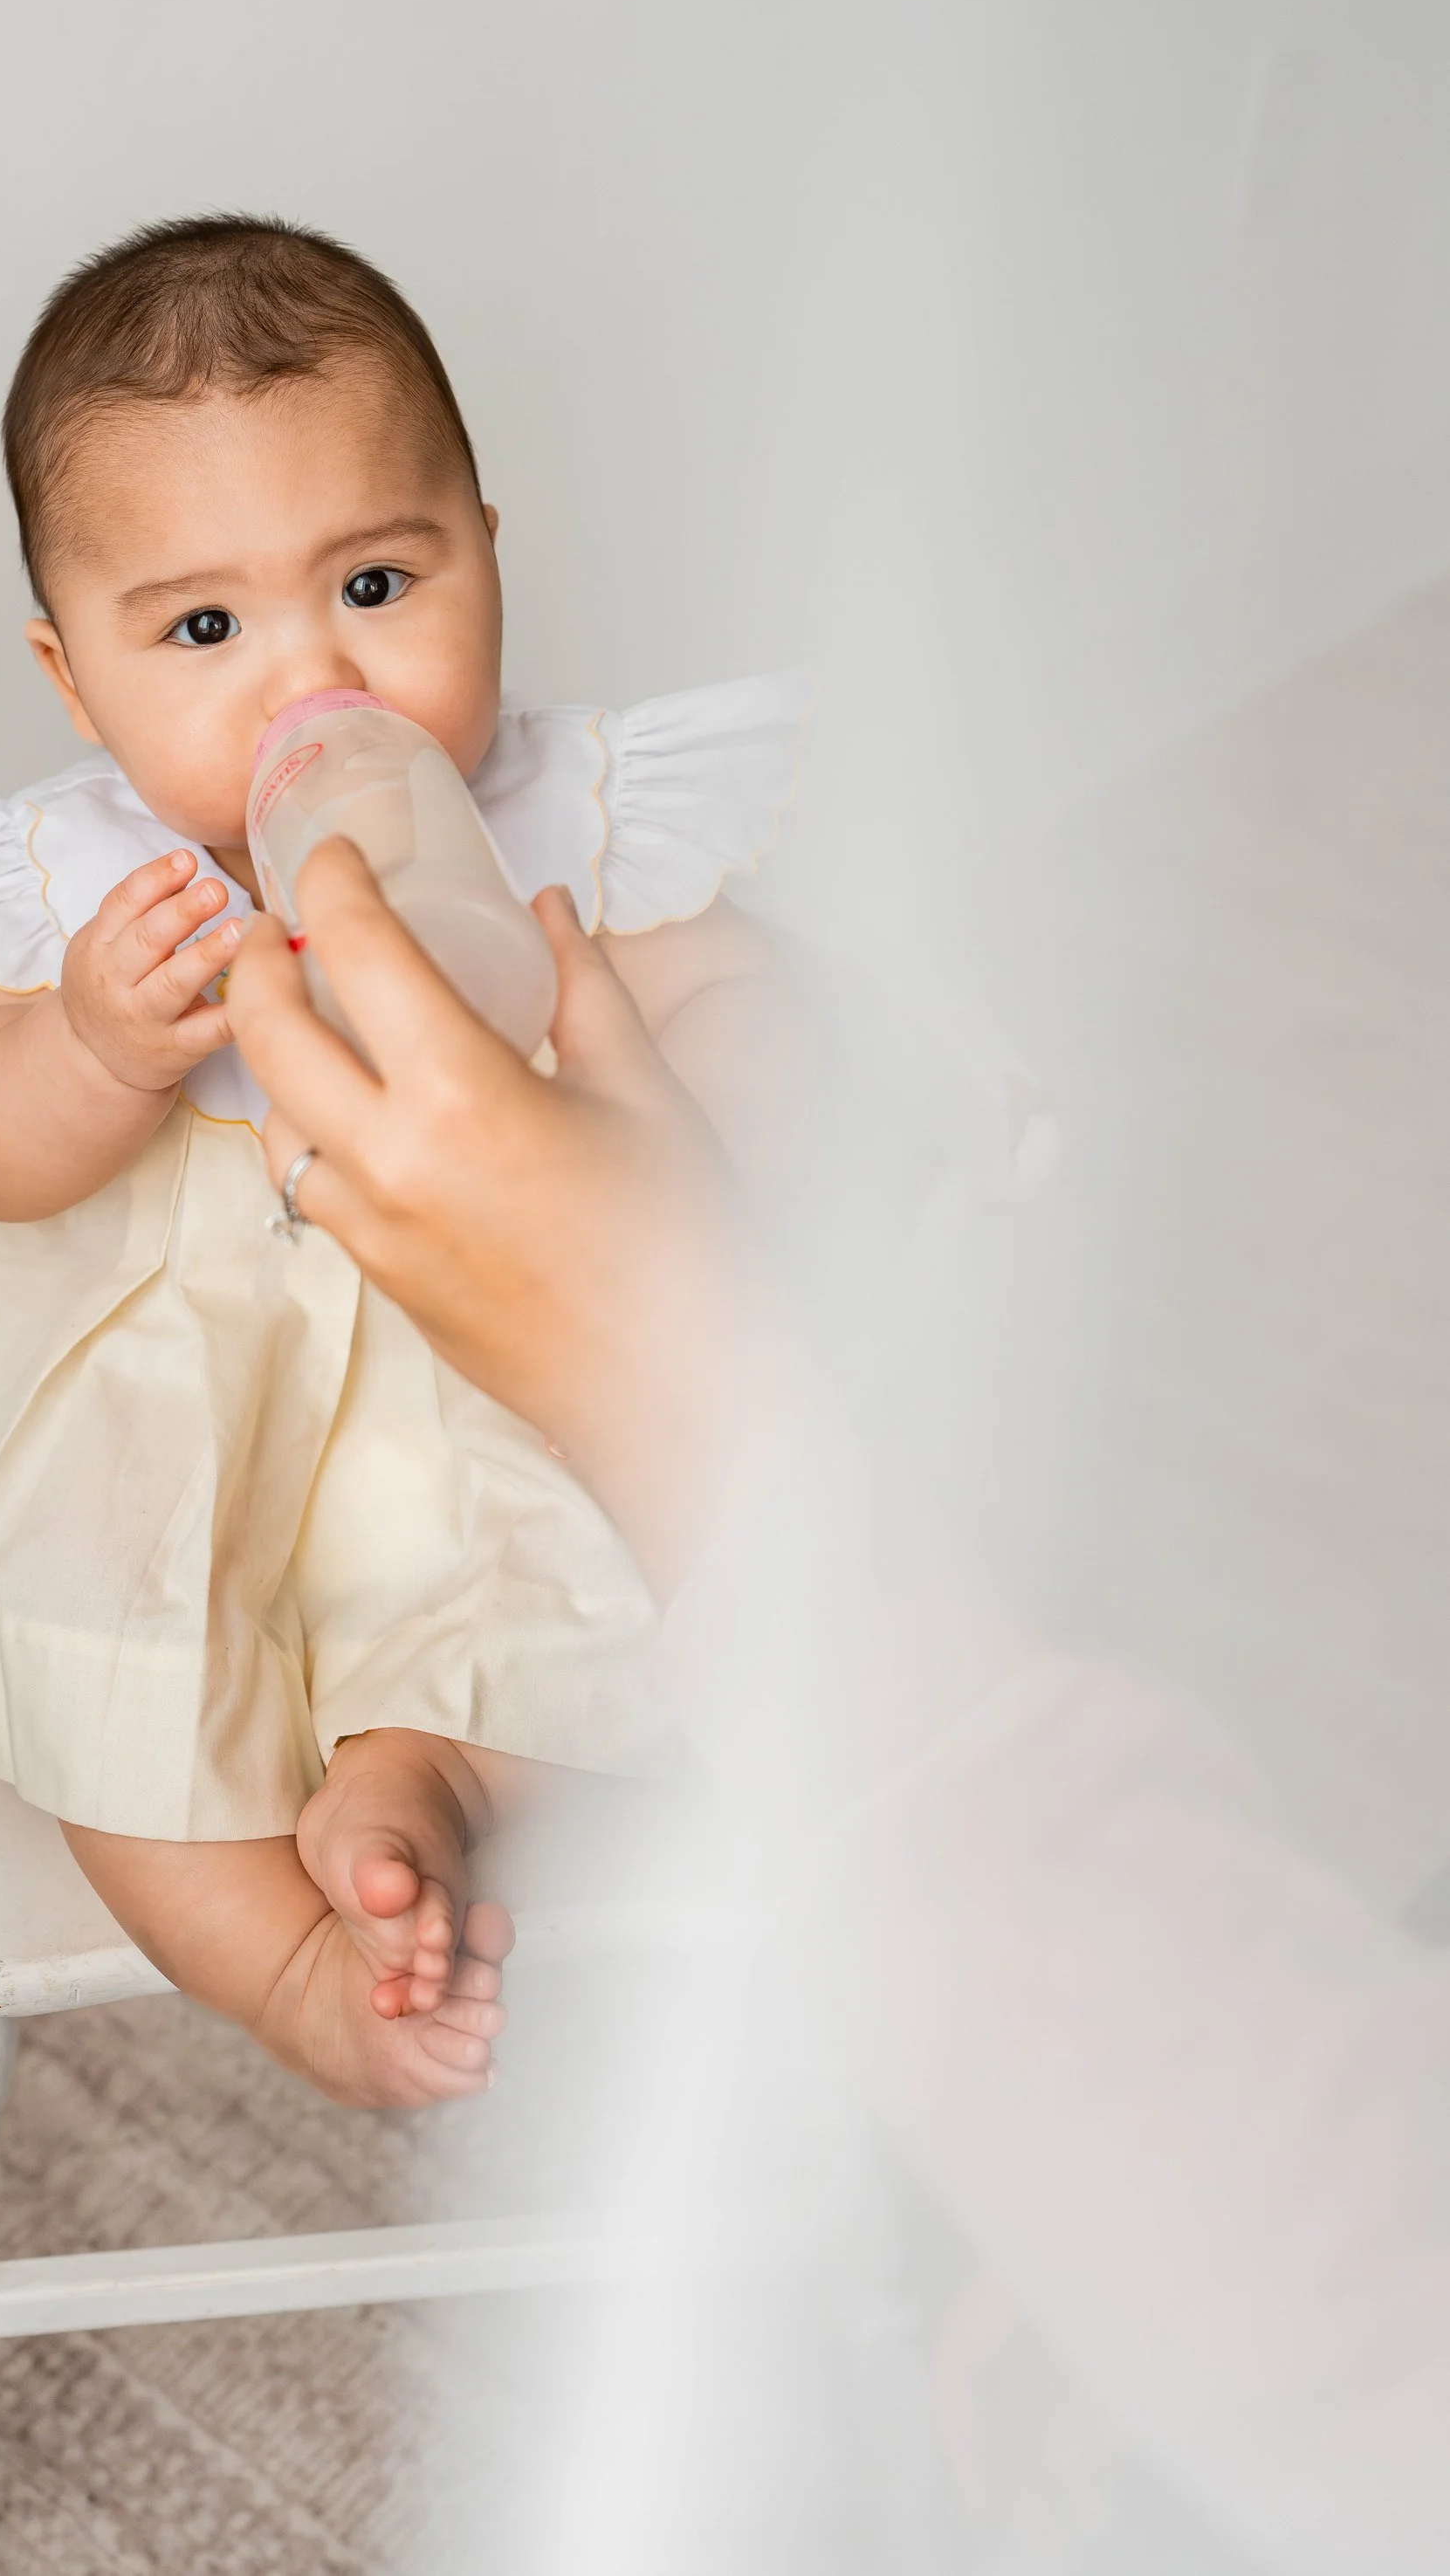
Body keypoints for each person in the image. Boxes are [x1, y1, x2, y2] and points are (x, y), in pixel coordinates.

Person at [227, 843, 1450, 2576]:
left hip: (626, 1512)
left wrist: (665, 1319)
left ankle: (401, 1812)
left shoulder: (580, 840)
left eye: (385, 571)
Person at [0, 213, 813, 2108]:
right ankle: (283, 1967)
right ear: (71, 678)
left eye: (372, 581)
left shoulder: (562, 818)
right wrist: (88, 1046)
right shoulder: (83, 883)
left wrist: (711, 1116)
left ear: (486, 558)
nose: (308, 684)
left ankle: (432, 1776)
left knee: (627, 1589)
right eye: (201, 629)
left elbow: (727, 986)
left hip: (484, 1360)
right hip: (182, 1404)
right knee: (103, 1684)